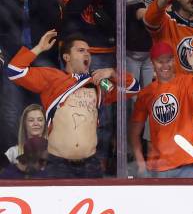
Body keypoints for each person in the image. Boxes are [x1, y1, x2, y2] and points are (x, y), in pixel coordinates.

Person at [6, 30, 141, 178]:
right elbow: (14, 71)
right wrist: (39, 48)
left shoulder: (98, 83)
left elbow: (133, 88)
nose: (87, 54)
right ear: (67, 57)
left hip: (91, 164)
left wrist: (113, 73)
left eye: (88, 52)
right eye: (81, 50)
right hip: (59, 165)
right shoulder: (52, 77)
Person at [0, 0, 59, 158]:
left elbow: (54, 22)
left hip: (40, 56)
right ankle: (12, 160)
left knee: (45, 106)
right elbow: (5, 23)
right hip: (13, 57)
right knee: (11, 110)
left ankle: (47, 156)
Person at [130, 41, 193, 178]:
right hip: (158, 166)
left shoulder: (187, 81)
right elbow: (134, 132)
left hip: (187, 164)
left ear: (174, 60)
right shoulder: (146, 93)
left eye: (168, 60)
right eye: (159, 61)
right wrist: (140, 162)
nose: (165, 65)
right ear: (152, 63)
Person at [126, 0, 163, 88]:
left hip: (150, 51)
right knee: (132, 96)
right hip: (129, 51)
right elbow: (138, 12)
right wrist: (157, 11)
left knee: (150, 93)